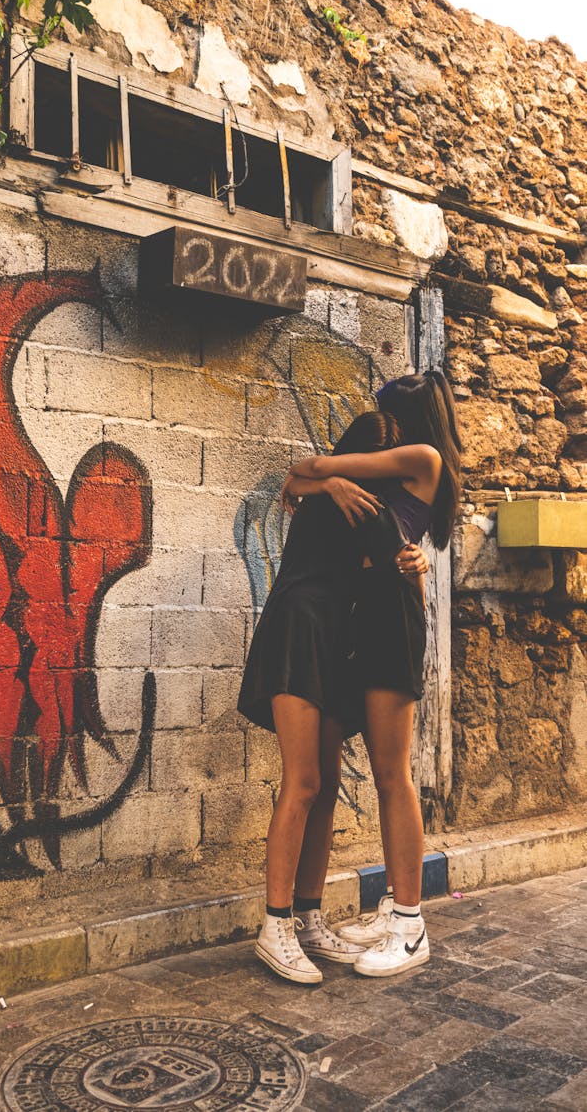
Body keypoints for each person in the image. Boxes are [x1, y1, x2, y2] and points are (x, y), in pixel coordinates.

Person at [270, 370, 462, 980]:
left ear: (403, 417)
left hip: (390, 617)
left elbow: (311, 466)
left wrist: (330, 478)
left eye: (384, 414)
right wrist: (328, 483)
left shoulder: (423, 455)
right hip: (363, 613)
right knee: (364, 774)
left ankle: (409, 923)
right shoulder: (402, 467)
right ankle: (392, 911)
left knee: (391, 773)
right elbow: (302, 479)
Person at [238, 409, 432, 984]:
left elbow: (294, 483)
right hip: (300, 632)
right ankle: (275, 927)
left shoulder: (346, 496)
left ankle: (307, 916)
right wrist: (327, 485)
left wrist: (412, 557)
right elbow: (295, 483)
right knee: (303, 783)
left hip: (330, 641)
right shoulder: (349, 498)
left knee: (320, 786)